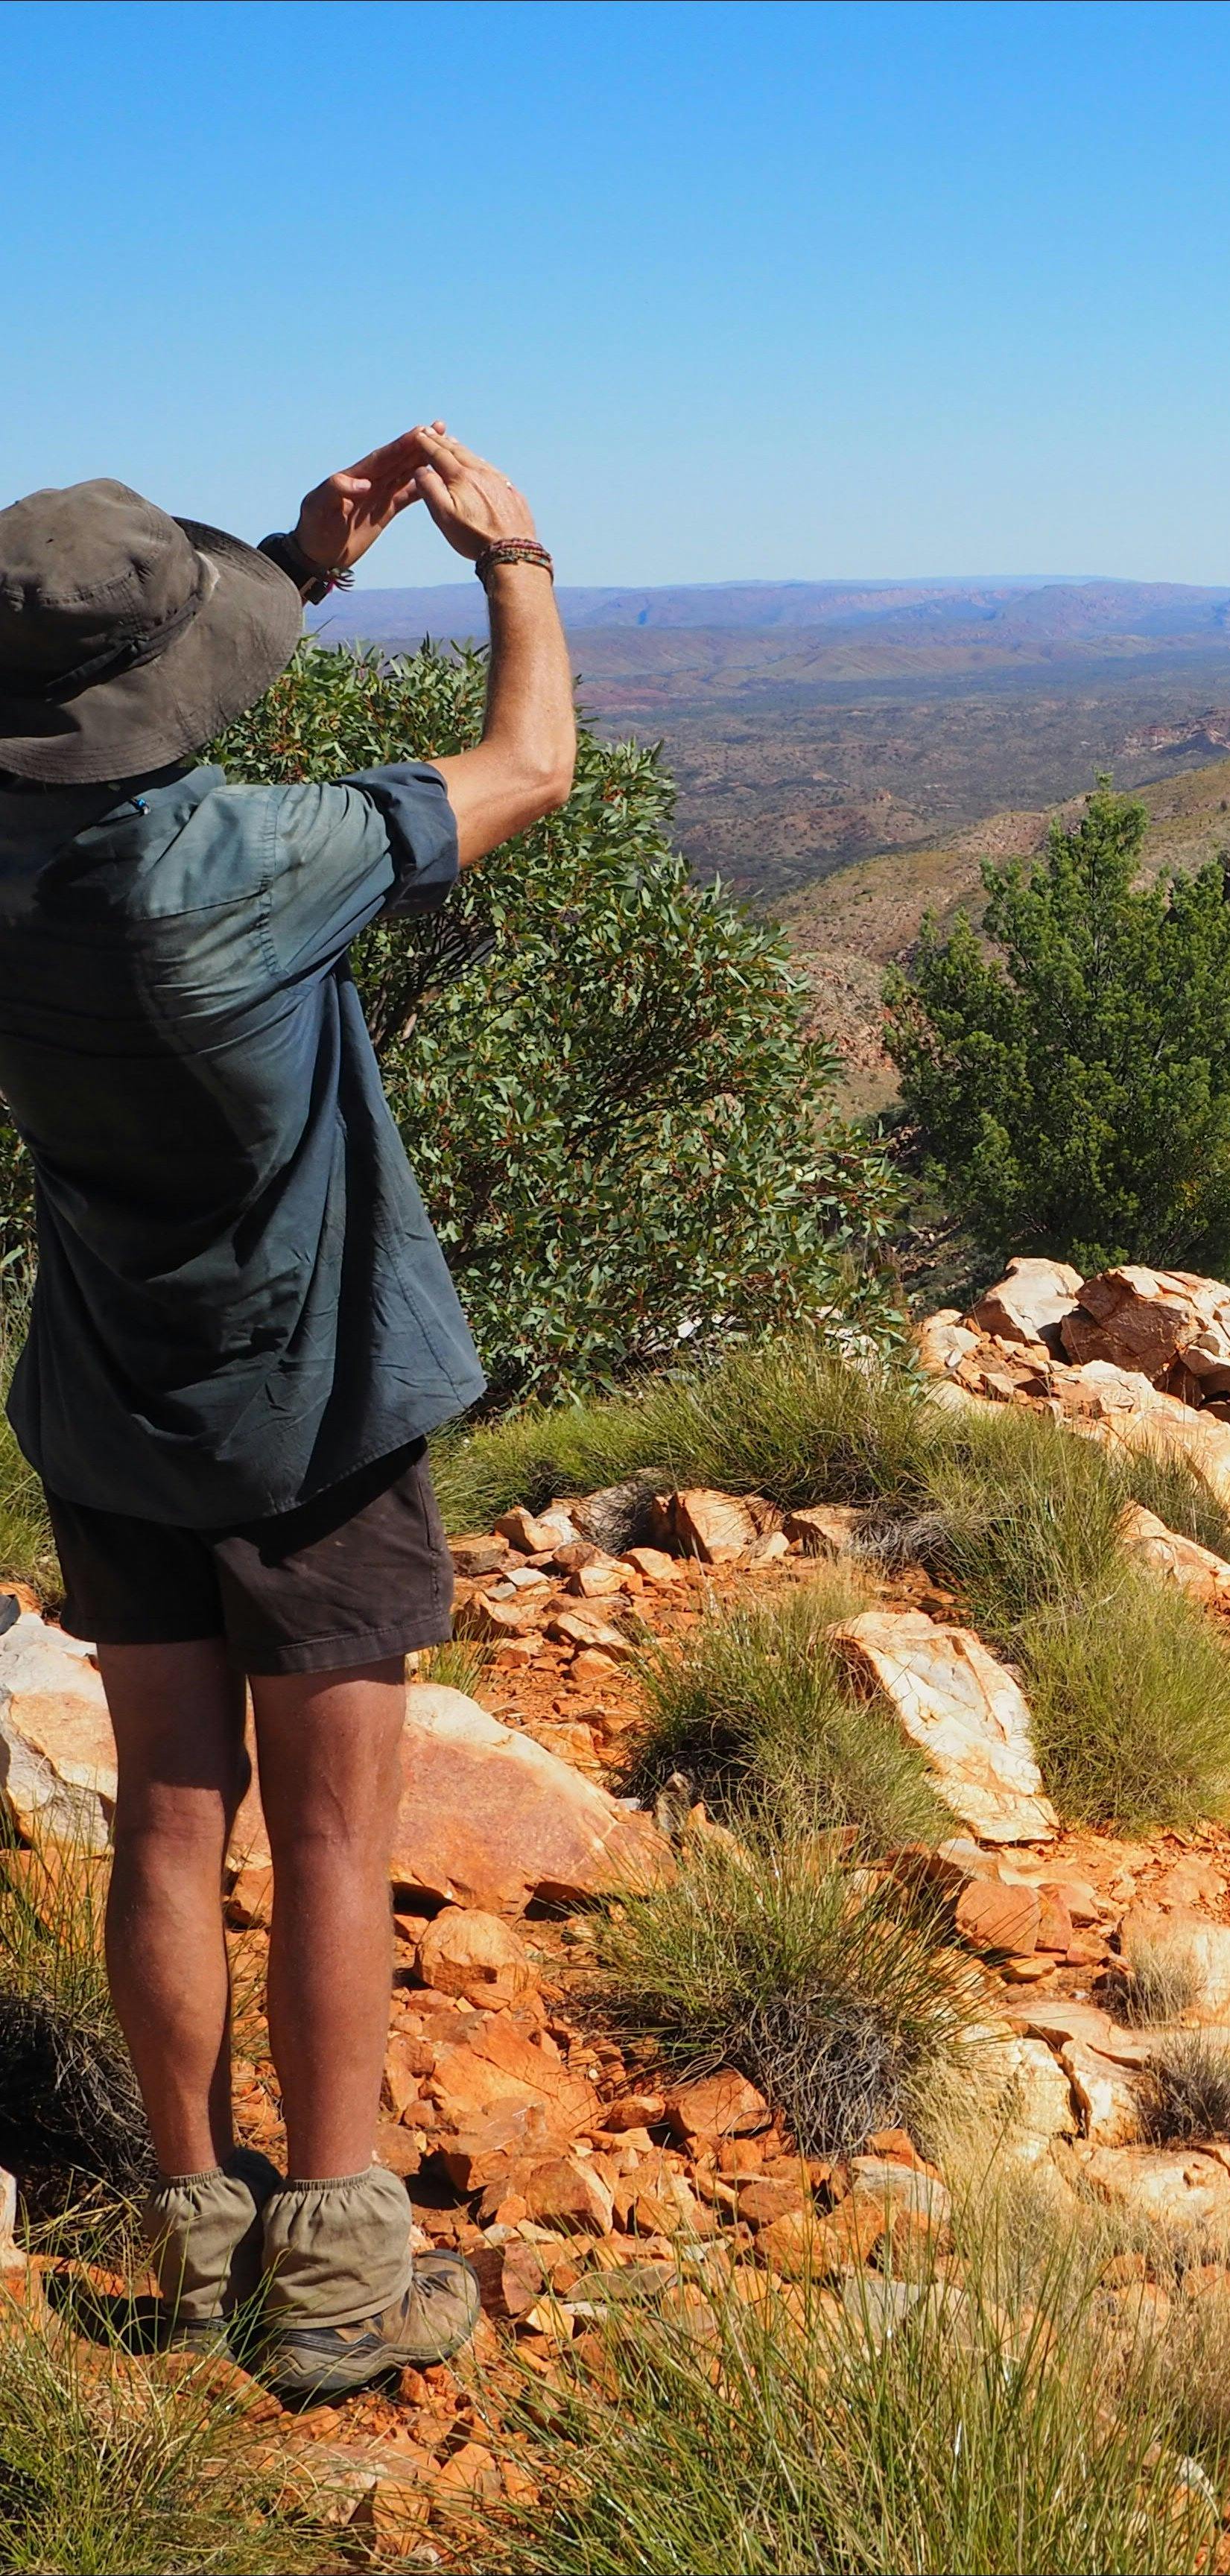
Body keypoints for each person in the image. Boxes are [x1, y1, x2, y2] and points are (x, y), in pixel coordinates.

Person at [0, 429, 572, 2400]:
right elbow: (529, 769)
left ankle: (188, 2229)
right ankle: (334, 2269)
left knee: (169, 1807)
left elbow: (98, 731)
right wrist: (517, 563)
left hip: (105, 1402)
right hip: (308, 1413)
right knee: (331, 1837)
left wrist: (294, 572)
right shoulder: (238, 869)